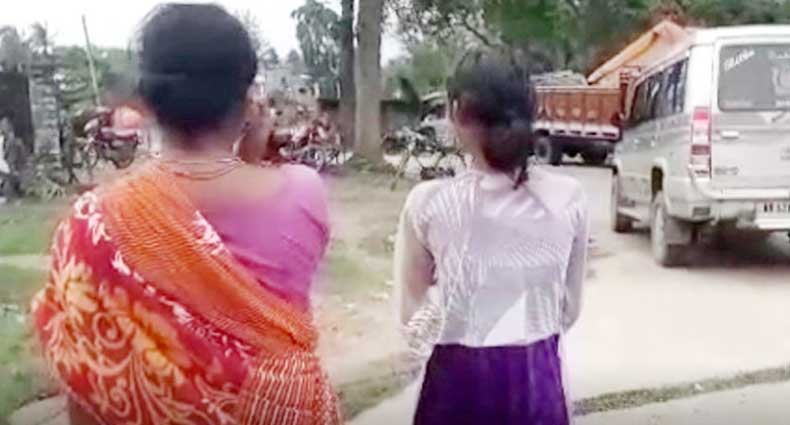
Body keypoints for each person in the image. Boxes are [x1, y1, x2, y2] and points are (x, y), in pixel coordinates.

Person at [31, 4, 340, 425]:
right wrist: (253, 153)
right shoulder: (304, 192)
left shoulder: (94, 223)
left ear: (146, 101)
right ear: (249, 100)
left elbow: (86, 384)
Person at [394, 50, 589, 425]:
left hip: (455, 391)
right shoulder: (568, 199)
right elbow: (568, 310)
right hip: (537, 384)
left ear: (455, 112)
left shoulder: (429, 204)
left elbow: (413, 316)